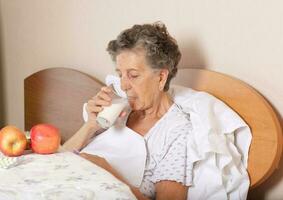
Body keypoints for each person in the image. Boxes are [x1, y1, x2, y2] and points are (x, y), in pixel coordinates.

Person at [63, 22, 193, 200]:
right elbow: (59, 159)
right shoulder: (116, 109)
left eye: (133, 75)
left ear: (161, 77)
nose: (123, 86)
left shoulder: (175, 131)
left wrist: (105, 171)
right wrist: (90, 126)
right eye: (120, 75)